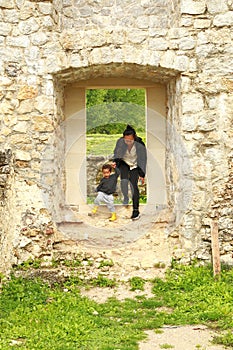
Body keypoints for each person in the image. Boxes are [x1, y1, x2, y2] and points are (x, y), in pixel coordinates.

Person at [113, 124, 147, 220]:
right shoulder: (120, 142)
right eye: (126, 140)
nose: (128, 142)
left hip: (135, 165)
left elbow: (143, 159)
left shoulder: (140, 144)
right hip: (124, 163)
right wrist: (115, 162)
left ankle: (135, 210)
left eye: (130, 140)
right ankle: (126, 198)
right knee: (124, 181)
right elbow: (116, 153)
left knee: (133, 185)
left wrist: (142, 174)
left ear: (134, 138)